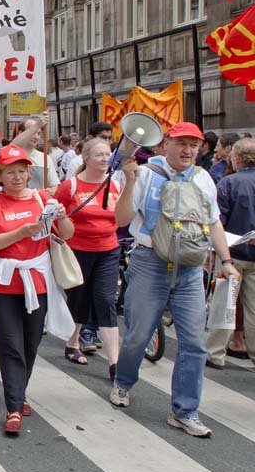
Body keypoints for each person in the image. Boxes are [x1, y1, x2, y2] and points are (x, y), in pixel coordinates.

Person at [112, 122, 240, 437]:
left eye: (194, 145)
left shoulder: (203, 179)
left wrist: (226, 260)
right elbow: (122, 219)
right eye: (181, 143)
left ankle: (185, 410)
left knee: (195, 343)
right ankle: (123, 382)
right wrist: (129, 182)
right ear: (165, 144)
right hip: (148, 263)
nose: (187, 151)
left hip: (190, 269)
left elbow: (213, 223)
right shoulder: (145, 173)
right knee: (138, 336)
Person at [0, 145, 75, 434]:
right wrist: (21, 232)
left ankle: (19, 391)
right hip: (3, 285)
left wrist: (61, 215)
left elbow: (68, 233)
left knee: (30, 344)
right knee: (11, 345)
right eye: (10, 172)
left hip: (37, 282)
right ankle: (14, 407)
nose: (17, 177)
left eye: (22, 172)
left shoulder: (42, 198)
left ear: (29, 174)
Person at [54, 138, 126, 377]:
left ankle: (114, 362)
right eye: (99, 155)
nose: (105, 159)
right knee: (79, 297)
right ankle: (72, 341)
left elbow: (123, 217)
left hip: (108, 249)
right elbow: (56, 217)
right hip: (78, 249)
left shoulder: (115, 185)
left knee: (105, 299)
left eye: (108, 154)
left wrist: (133, 181)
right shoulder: (71, 186)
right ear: (86, 159)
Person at [205, 137, 255, 369]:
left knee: (225, 305)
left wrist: (213, 253)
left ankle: (215, 353)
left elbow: (218, 222)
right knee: (253, 310)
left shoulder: (228, 183)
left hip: (231, 253)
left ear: (236, 158)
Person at [10, 114, 60, 193]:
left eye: (38, 133)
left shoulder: (45, 158)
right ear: (20, 133)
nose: (36, 137)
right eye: (33, 132)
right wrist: (37, 125)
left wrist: (51, 191)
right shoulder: (11, 154)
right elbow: (11, 147)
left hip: (38, 203)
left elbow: (54, 185)